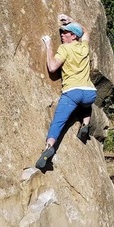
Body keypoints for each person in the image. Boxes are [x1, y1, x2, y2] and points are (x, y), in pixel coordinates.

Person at [36, 16, 96, 169]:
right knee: (85, 103)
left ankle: (48, 148)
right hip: (90, 93)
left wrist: (48, 45)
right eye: (62, 33)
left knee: (58, 122)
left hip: (72, 92)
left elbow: (52, 67)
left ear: (73, 36)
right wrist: (72, 20)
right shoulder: (84, 47)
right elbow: (86, 32)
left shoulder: (65, 48)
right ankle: (85, 123)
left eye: (66, 33)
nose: (62, 35)